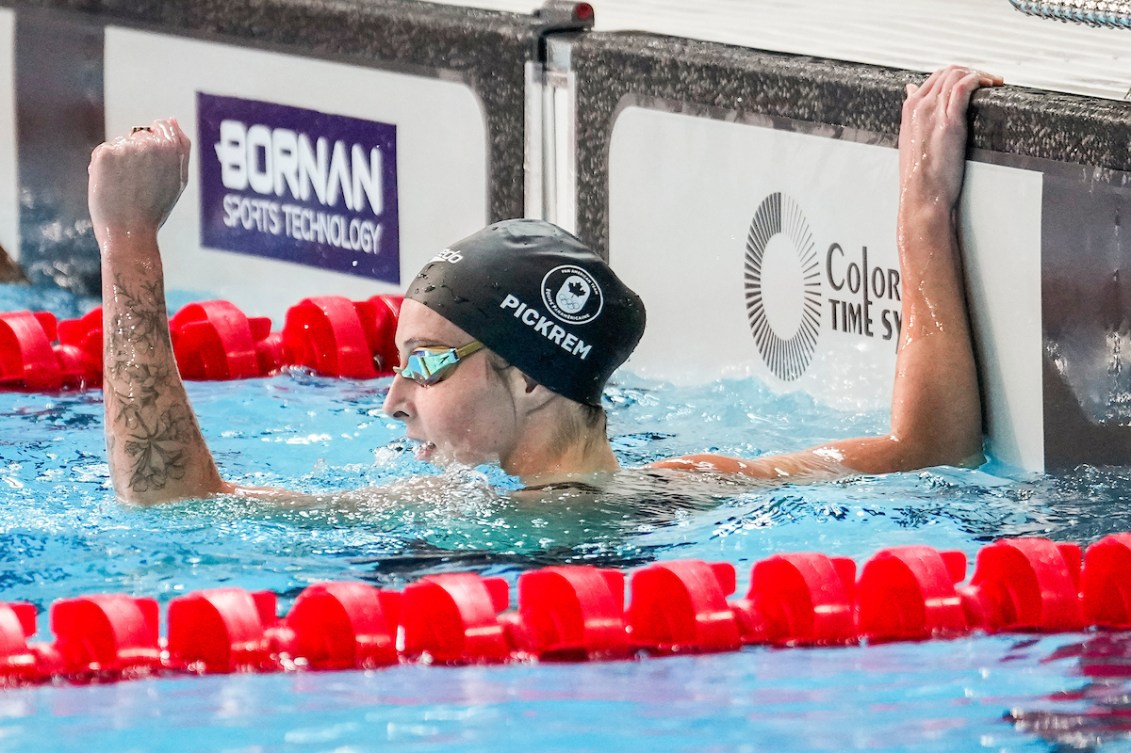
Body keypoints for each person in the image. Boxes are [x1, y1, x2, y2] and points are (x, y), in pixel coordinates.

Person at [87, 65, 997, 506]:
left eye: (426, 363)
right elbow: (933, 442)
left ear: (529, 376)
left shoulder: (488, 529)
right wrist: (921, 213)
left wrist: (129, 245)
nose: (392, 402)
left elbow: (170, 504)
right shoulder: (686, 487)